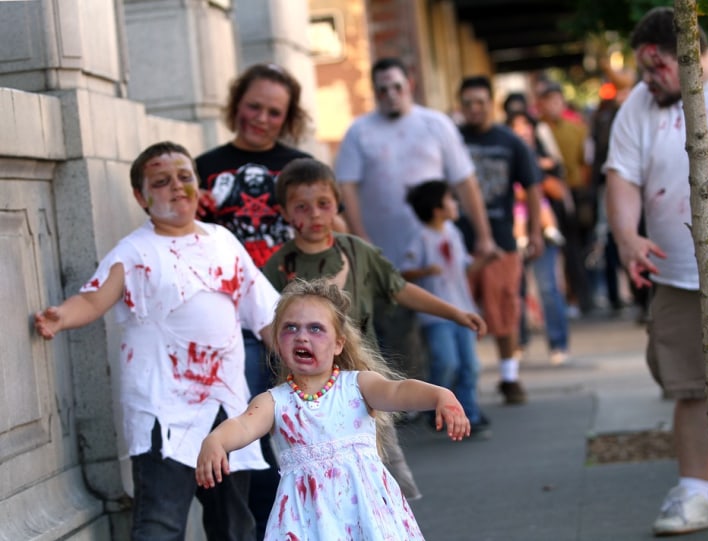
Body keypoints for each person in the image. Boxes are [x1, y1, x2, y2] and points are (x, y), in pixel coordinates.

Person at [33, 141, 280, 541]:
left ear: (199, 186)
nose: (177, 188)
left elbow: (266, 314)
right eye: (161, 182)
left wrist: (299, 355)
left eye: (185, 177)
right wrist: (62, 317)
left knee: (234, 524)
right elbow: (94, 297)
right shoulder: (135, 252)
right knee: (160, 525)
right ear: (140, 196)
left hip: (227, 407)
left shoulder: (223, 241)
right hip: (162, 414)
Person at [605, 7, 708, 536]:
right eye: (644, 70)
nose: (647, 80)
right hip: (677, 277)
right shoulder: (639, 105)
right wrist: (627, 236)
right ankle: (694, 494)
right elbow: (621, 175)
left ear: (690, 53)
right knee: (689, 387)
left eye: (657, 68)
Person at [261, 157, 487, 499]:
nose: (315, 215)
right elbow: (265, 322)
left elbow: (400, 288)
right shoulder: (279, 266)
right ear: (285, 213)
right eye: (302, 207)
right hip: (309, 393)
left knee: (385, 468)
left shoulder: (357, 251)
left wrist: (454, 313)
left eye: (323, 204)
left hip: (362, 381)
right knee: (328, 480)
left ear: (337, 203)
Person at [196, 278, 471, 540]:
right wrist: (216, 440)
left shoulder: (357, 386)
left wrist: (439, 395)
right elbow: (244, 425)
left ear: (339, 343)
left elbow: (397, 390)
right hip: (306, 520)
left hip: (365, 513)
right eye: (290, 328)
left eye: (316, 329)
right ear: (278, 343)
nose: (302, 337)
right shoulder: (274, 401)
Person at [194, 63, 311, 535]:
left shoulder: (297, 166)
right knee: (241, 446)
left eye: (273, 112)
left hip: (290, 323)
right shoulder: (202, 168)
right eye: (253, 106)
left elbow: (325, 231)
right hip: (228, 330)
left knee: (292, 441)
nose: (260, 118)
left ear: (288, 118)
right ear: (236, 103)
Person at [334, 56, 496, 382]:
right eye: (383, 89)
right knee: (397, 338)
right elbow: (346, 188)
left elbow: (465, 181)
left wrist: (484, 234)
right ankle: (408, 405)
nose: (391, 94)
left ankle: (456, 402)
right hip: (387, 258)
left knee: (448, 333)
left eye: (397, 86)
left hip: (439, 254)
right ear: (375, 92)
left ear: (410, 83)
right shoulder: (359, 132)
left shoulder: (436, 124)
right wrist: (361, 243)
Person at [457, 75, 544, 404]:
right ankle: (464, 384)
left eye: (480, 102)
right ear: (460, 106)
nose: (474, 109)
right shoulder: (452, 139)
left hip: (502, 240)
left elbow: (532, 187)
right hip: (458, 241)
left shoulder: (510, 141)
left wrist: (534, 231)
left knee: (503, 309)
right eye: (468, 103)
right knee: (458, 313)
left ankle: (509, 377)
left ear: (490, 104)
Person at [402, 180, 491, 435]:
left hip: (463, 309)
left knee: (470, 365)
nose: (455, 204)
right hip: (436, 316)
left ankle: (469, 413)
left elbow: (464, 266)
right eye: (450, 199)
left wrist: (486, 261)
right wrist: (425, 270)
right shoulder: (420, 237)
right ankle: (433, 407)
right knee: (446, 363)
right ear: (436, 208)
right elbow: (403, 272)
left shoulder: (453, 232)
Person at [507, 110, 570, 365]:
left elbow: (557, 191)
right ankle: (518, 343)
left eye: (526, 127)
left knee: (548, 288)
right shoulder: (507, 159)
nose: (522, 132)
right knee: (515, 291)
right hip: (515, 229)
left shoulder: (545, 160)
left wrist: (536, 184)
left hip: (543, 230)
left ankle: (558, 343)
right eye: (516, 127)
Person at [536, 79, 595, 317]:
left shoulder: (577, 129)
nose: (552, 106)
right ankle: (569, 298)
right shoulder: (537, 131)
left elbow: (586, 164)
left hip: (574, 195)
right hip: (546, 197)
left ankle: (581, 297)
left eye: (556, 100)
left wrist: (584, 194)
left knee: (577, 249)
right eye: (547, 101)